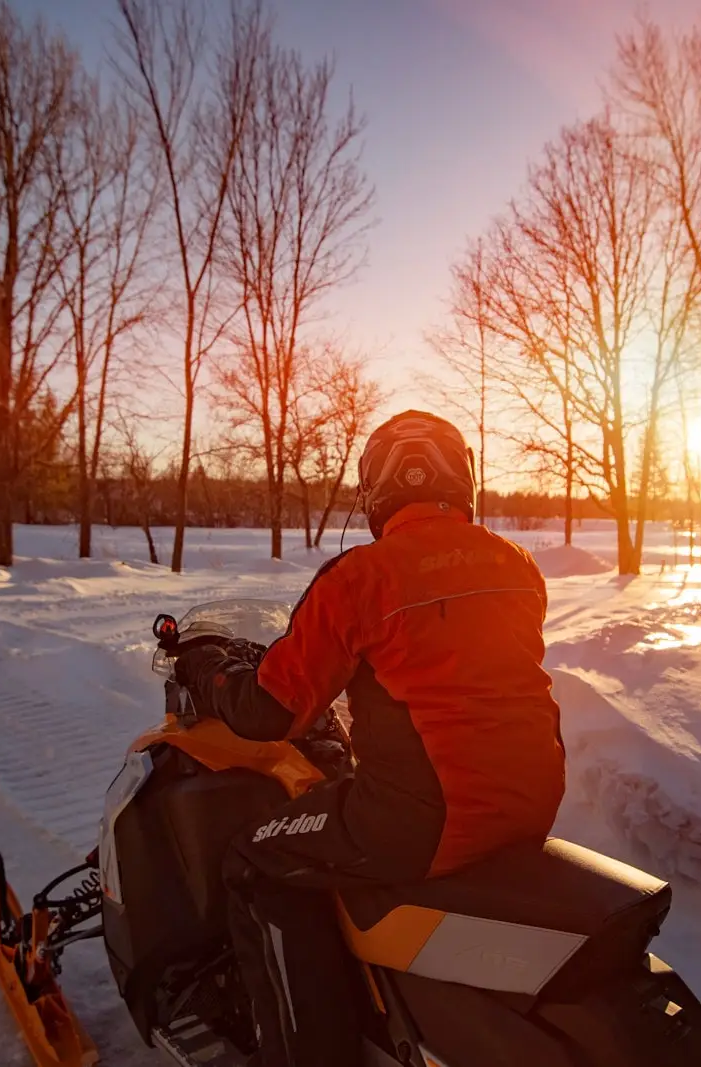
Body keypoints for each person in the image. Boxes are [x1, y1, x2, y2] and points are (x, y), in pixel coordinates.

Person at [173, 410, 566, 1067]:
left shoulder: (361, 576)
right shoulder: (517, 564)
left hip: (424, 819)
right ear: (461, 478)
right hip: (533, 802)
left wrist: (211, 671)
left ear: (374, 490)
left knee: (253, 859)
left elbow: (271, 711)